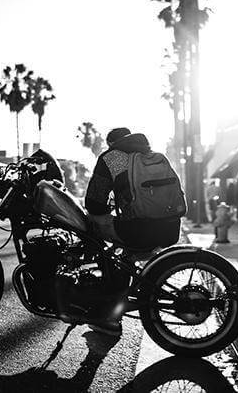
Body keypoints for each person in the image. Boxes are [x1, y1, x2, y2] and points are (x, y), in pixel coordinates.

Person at [84, 127, 181, 335]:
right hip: (170, 228)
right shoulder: (152, 157)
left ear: (112, 143)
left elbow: (94, 203)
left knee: (96, 231)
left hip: (138, 229)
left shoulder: (113, 157)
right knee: (123, 251)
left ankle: (109, 314)